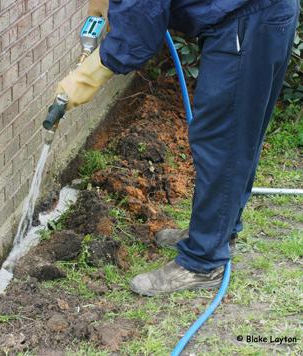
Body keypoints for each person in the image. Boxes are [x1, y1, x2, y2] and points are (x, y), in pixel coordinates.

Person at [56, 0, 300, 295]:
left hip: (247, 20)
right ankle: (216, 233)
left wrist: (88, 75)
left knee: (223, 141)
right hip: (256, 13)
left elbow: (139, 24)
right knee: (235, 135)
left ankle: (203, 262)